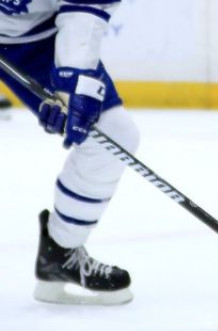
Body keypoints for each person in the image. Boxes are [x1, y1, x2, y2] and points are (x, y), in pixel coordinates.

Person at [1, 1, 136, 305]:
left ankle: (61, 253)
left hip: (32, 38)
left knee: (114, 134)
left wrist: (71, 88)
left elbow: (83, 18)